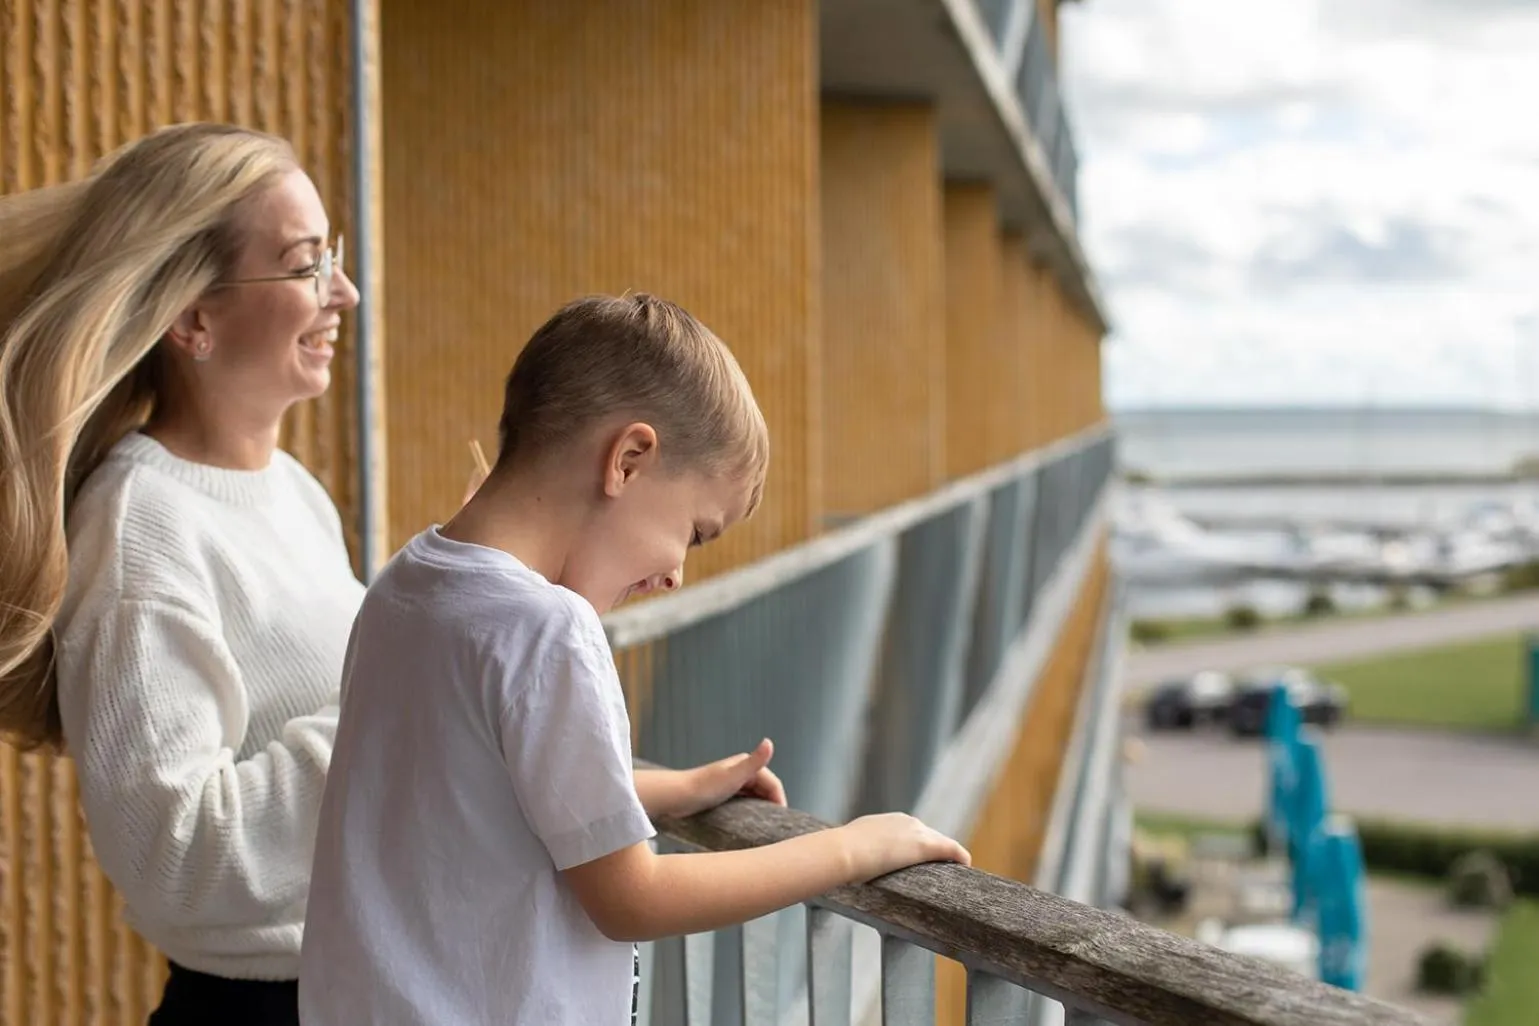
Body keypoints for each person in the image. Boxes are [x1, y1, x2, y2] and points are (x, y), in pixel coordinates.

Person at [298, 293, 971, 1026]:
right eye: (694, 532)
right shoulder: (547, 629)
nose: (677, 574)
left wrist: (668, 790)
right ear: (628, 459)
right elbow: (631, 897)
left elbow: (474, 796)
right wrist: (853, 848)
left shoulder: (406, 586)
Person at [0, 122, 365, 1026]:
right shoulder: (140, 525)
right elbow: (175, 857)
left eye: (335, 257)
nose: (344, 292)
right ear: (193, 318)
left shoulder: (294, 492)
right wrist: (402, 704)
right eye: (304, 264)